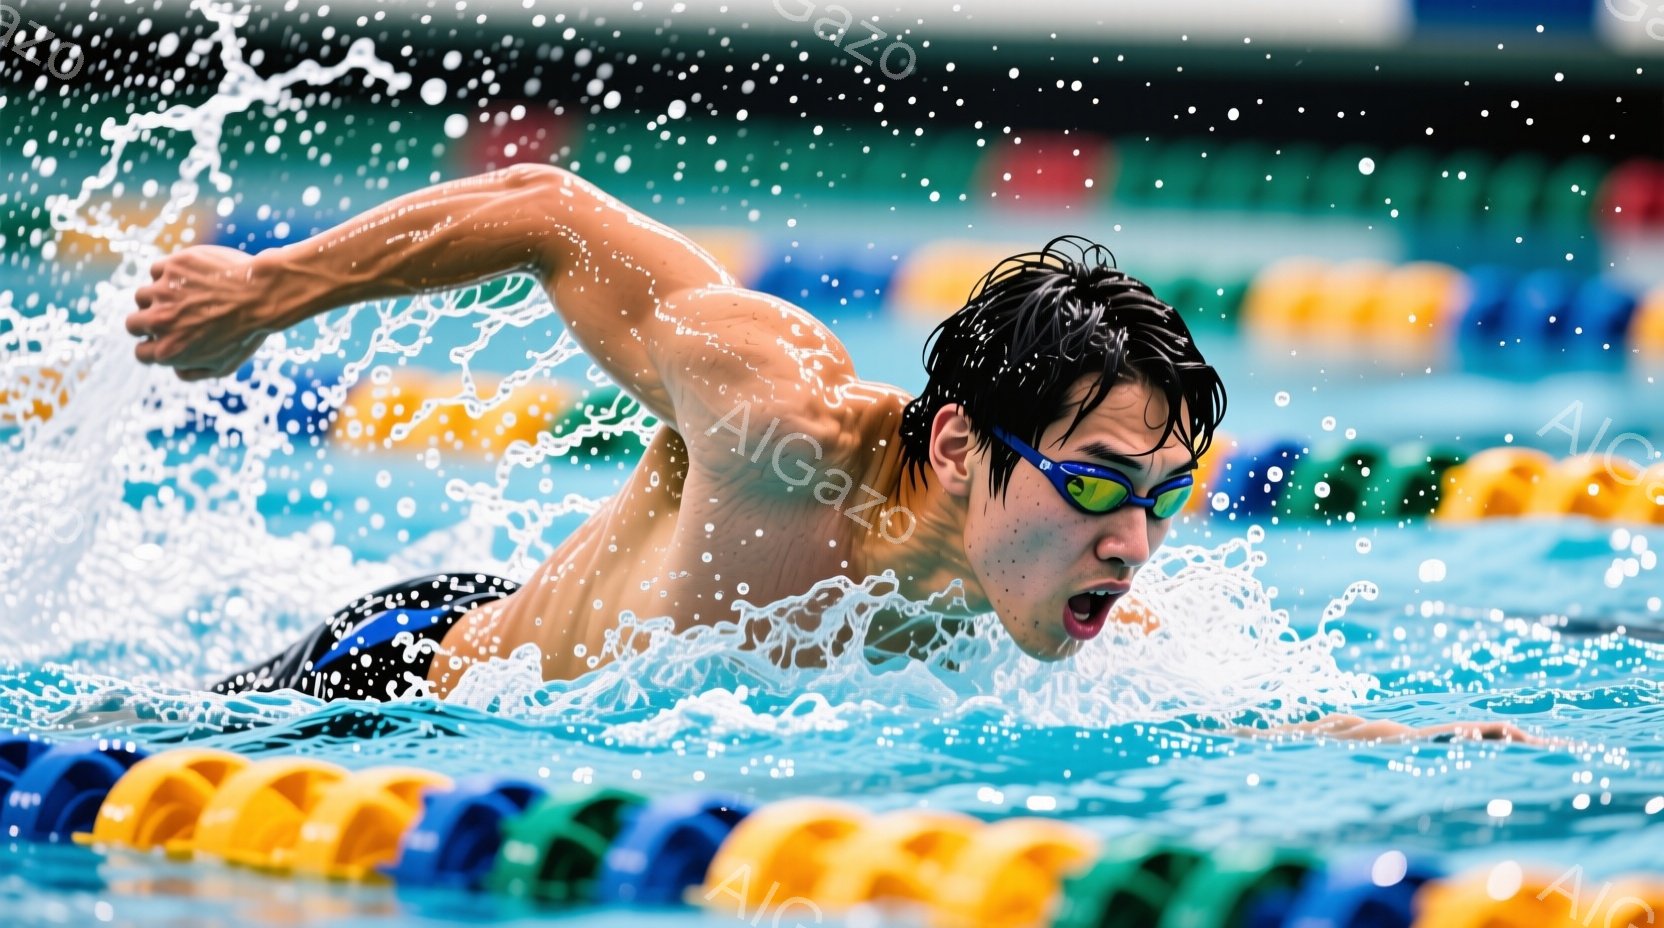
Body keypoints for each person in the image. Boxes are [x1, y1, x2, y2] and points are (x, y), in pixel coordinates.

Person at [126, 163, 1533, 743]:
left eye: (1163, 499)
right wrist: (269, 292)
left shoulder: (1045, 577)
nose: (1132, 540)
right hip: (397, 689)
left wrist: (1411, 742)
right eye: (1099, 482)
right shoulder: (773, 419)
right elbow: (548, 209)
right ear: (963, 446)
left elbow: (1224, 711)